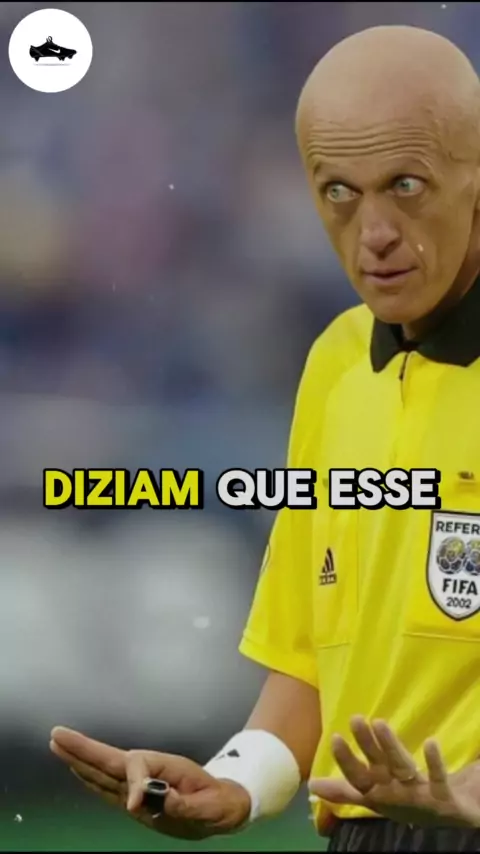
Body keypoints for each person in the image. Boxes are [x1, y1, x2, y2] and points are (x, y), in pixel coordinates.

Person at [50, 24, 480, 853]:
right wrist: (240, 782)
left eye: (406, 185)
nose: (375, 231)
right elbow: (312, 654)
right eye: (339, 192)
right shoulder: (336, 364)